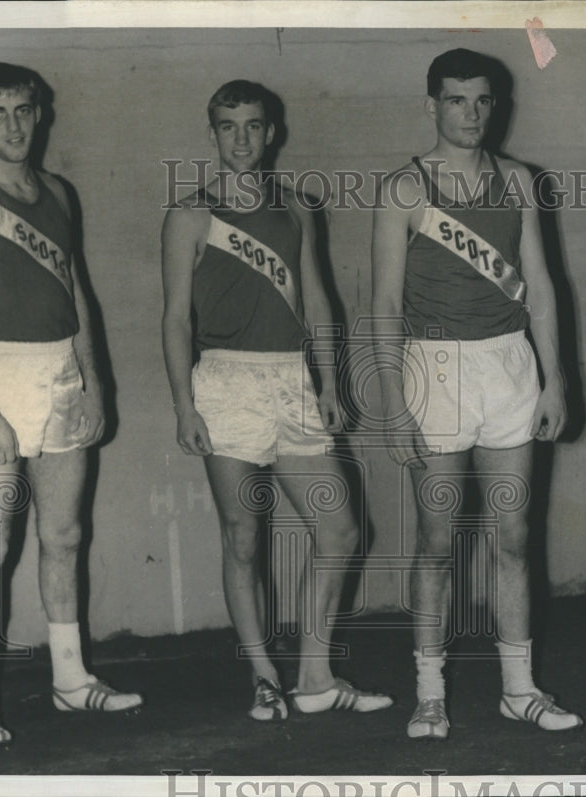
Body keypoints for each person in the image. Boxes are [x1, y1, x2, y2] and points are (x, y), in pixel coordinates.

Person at [0, 62, 143, 751]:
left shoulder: (57, 191)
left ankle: (72, 680)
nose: (13, 125)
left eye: (24, 110)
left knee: (65, 536)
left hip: (62, 375)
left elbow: (76, 291)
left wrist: (96, 379)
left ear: (40, 114)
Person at [161, 79, 392, 721]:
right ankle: (263, 675)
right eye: (228, 126)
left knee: (341, 527)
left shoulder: (296, 208)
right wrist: (185, 405)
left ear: (271, 133)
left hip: (292, 380)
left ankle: (314, 677)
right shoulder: (188, 215)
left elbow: (318, 299)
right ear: (213, 134)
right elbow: (176, 318)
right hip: (226, 382)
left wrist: (329, 381)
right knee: (243, 535)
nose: (241, 138)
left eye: (253, 126)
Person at [371, 48, 582, 740]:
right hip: (434, 371)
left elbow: (544, 289)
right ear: (432, 104)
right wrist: (394, 402)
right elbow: (383, 303)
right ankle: (429, 691)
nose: (470, 114)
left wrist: (555, 380)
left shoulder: (519, 181)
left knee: (513, 537)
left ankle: (519, 688)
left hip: (509, 366)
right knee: (437, 540)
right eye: (456, 100)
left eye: (482, 101)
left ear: (498, 106)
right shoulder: (403, 188)